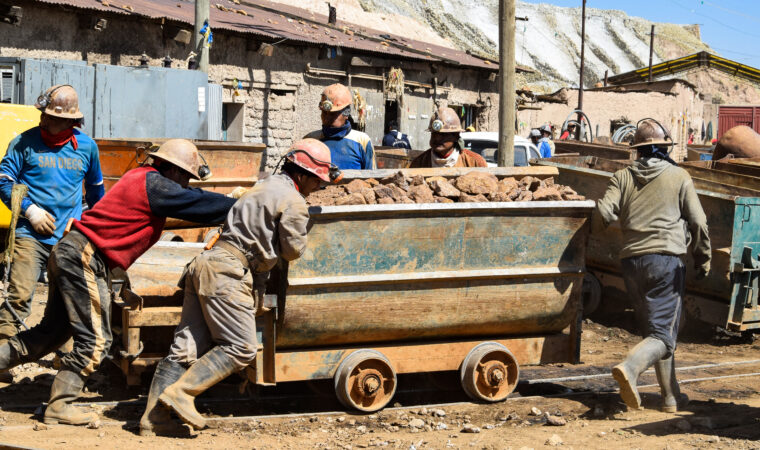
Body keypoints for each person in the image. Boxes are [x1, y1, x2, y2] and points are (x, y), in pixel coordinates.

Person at [0, 139, 237, 426]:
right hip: (84, 256)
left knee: (52, 333)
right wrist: (241, 206)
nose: (185, 184)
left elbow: (192, 198)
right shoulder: (157, 185)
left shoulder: (141, 178)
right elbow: (195, 202)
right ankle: (59, 406)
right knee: (97, 340)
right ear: (173, 171)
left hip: (70, 250)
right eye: (186, 177)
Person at [139, 139, 334, 435]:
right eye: (316, 181)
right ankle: (183, 392)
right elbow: (293, 251)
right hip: (229, 274)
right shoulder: (293, 201)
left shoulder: (260, 186)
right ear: (302, 175)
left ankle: (152, 420)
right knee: (242, 347)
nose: (317, 187)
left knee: (184, 349)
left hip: (204, 265)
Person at [596, 118, 711, 413]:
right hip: (667, 262)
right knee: (663, 334)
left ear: (638, 150)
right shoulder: (679, 175)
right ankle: (631, 368)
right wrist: (704, 257)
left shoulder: (622, 177)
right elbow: (698, 221)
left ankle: (670, 397)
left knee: (656, 331)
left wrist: (615, 229)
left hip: (632, 262)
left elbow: (604, 211)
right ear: (663, 147)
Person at [0, 85, 104, 351]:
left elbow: (96, 193)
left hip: (68, 239)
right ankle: (2, 354)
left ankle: (65, 356)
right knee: (20, 295)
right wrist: (29, 210)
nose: (42, 120)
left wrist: (97, 229)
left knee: (67, 300)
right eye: (43, 115)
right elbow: (3, 181)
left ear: (70, 121)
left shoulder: (86, 148)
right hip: (29, 235)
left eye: (50, 117)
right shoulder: (23, 143)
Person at [305, 83, 376, 170]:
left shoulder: (362, 141)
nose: (326, 117)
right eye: (324, 112)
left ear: (346, 114)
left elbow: (372, 177)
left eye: (332, 114)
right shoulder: (310, 140)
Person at [409, 106, 486, 168]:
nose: (437, 138)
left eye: (443, 135)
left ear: (456, 136)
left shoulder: (474, 162)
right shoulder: (419, 163)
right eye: (434, 134)